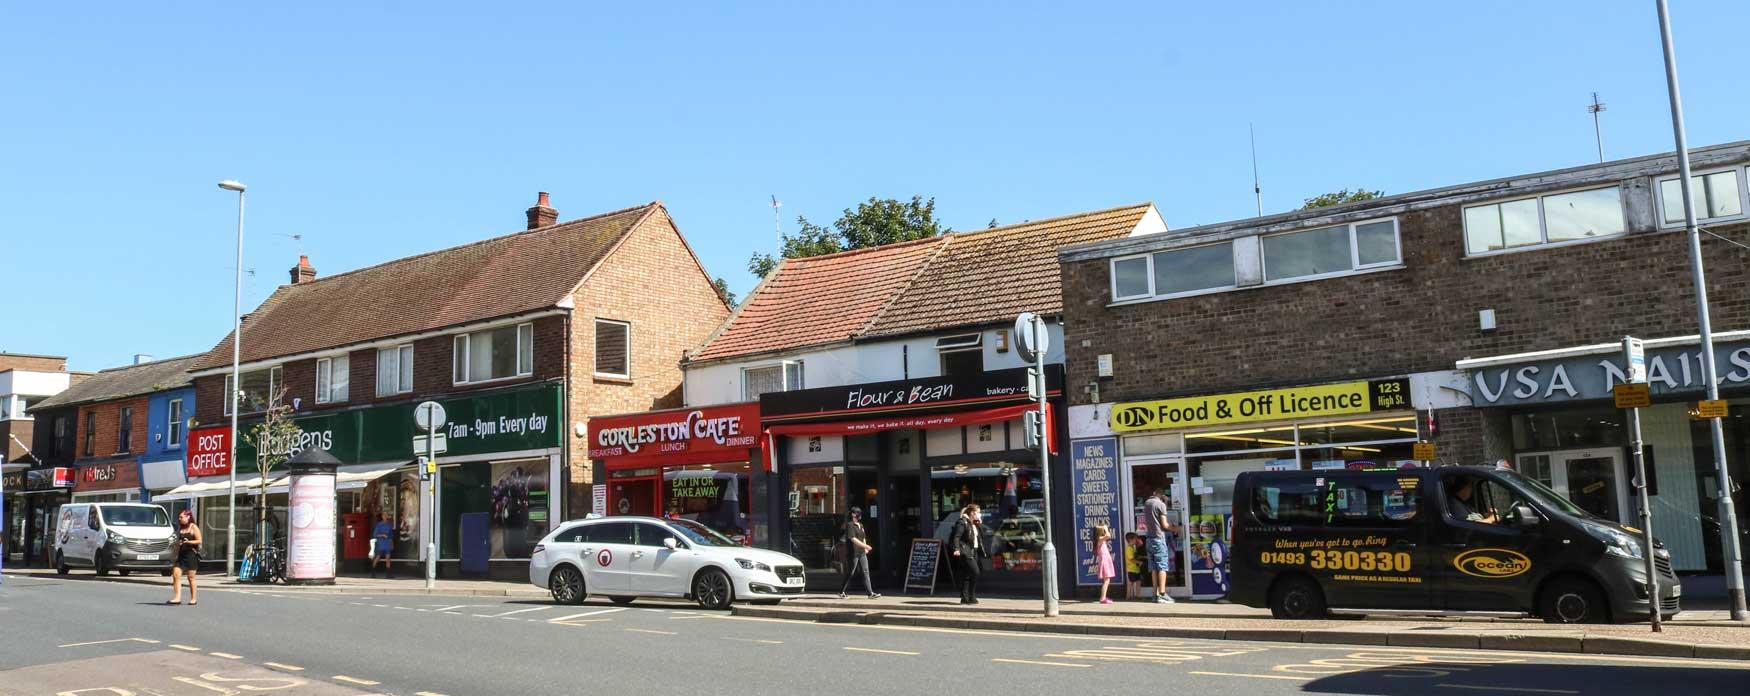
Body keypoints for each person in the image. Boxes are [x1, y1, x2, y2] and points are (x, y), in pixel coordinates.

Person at [1142, 487, 1182, 604]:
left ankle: (1155, 594)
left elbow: (1154, 518)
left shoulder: (1147, 503)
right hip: (1158, 539)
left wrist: (1164, 502)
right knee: (1162, 567)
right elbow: (1164, 525)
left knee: (1154, 568)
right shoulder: (1160, 504)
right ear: (1162, 495)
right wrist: (1176, 528)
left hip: (1149, 539)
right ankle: (1163, 594)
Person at [838, 508, 879, 599]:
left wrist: (864, 547)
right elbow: (853, 539)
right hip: (853, 552)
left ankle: (870, 593)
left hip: (861, 553)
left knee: (865, 571)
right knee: (851, 572)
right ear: (853, 514)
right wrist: (866, 546)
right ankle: (842, 592)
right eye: (857, 513)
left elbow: (863, 537)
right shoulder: (849, 525)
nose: (859, 515)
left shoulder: (860, 525)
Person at [950, 504, 984, 605]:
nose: (979, 514)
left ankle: (965, 597)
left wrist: (979, 523)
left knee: (967, 574)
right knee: (975, 572)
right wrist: (956, 549)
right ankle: (971, 595)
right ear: (972, 513)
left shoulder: (974, 523)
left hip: (974, 550)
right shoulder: (962, 522)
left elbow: (981, 536)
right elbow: (956, 536)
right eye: (978, 512)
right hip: (966, 551)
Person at [168, 509, 202, 606]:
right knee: (176, 574)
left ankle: (193, 598)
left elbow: (199, 540)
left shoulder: (193, 527)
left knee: (191, 578)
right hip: (181, 555)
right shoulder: (180, 528)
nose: (179, 519)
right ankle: (177, 598)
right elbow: (176, 539)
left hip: (191, 555)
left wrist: (189, 542)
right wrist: (177, 542)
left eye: (181, 517)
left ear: (188, 517)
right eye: (179, 517)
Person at [1093, 522, 1116, 604]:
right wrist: (1106, 528)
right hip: (1104, 560)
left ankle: (1103, 597)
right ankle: (1102, 598)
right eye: (1103, 530)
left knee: (1107, 580)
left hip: (1105, 559)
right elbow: (1109, 535)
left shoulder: (1100, 539)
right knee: (1106, 580)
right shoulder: (1099, 539)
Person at [370, 512, 395, 578]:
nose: (385, 516)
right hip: (380, 543)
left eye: (386, 515)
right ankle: (372, 572)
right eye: (384, 515)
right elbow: (375, 535)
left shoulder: (389, 525)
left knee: (388, 558)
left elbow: (391, 536)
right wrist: (382, 535)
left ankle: (388, 574)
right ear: (382, 516)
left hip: (387, 544)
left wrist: (392, 544)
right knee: (377, 558)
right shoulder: (379, 525)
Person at [1123, 532, 1144, 599]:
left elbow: (1140, 546)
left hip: (1136, 569)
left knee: (1138, 582)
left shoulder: (1133, 547)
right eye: (1135, 539)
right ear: (1130, 540)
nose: (1137, 540)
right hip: (1131, 569)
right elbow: (1131, 559)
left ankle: (1138, 595)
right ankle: (1128, 596)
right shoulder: (1129, 549)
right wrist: (1139, 562)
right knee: (1131, 583)